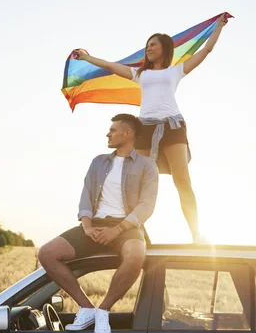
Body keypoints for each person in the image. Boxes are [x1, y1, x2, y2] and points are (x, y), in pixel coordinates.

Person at [72, 13, 229, 244]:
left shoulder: (176, 70)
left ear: (164, 48)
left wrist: (218, 27)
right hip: (145, 129)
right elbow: (109, 65)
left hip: (172, 126)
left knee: (182, 182)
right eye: (147, 45)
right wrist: (87, 57)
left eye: (153, 44)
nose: (148, 48)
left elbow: (206, 51)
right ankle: (137, 235)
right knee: (136, 183)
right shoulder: (139, 73)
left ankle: (196, 234)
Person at [38, 113, 158, 333]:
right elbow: (86, 198)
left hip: (127, 225)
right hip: (94, 224)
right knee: (47, 253)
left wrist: (118, 229)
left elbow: (147, 205)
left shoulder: (147, 165)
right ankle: (87, 308)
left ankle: (103, 311)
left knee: (136, 256)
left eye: (113, 130)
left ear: (128, 133)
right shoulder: (99, 162)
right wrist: (87, 226)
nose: (108, 134)